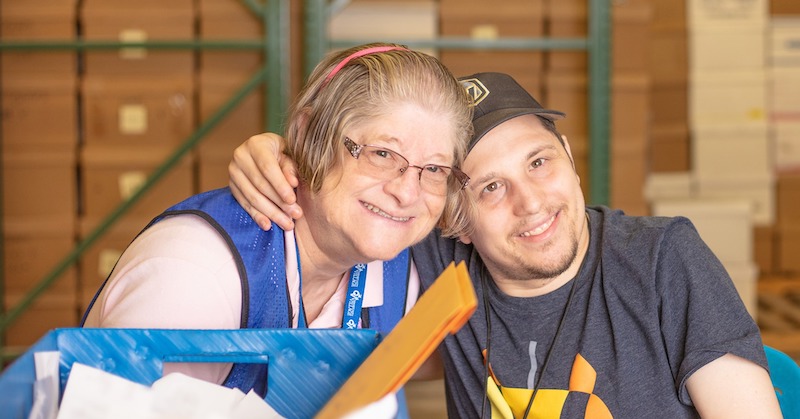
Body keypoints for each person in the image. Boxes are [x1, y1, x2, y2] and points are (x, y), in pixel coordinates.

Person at [228, 72, 783, 418]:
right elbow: (354, 200)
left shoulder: (662, 259)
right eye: (491, 187)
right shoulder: (443, 265)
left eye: (540, 162)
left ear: (568, 155)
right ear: (455, 221)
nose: (531, 201)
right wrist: (283, 155)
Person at [81, 42, 473, 415]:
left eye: (435, 169)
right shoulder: (195, 274)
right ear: (306, 134)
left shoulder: (403, 273)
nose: (407, 192)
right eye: (382, 154)